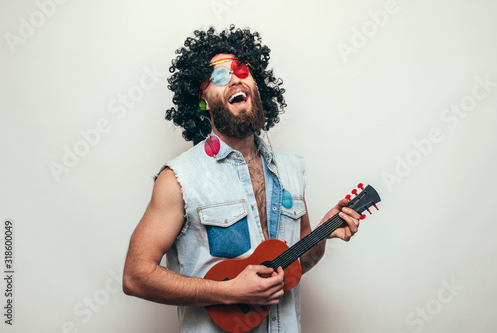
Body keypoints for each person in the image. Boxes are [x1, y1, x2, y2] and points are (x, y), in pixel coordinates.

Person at [122, 25, 361, 332]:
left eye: (242, 70)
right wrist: (228, 292)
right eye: (220, 76)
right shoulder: (179, 178)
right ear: (203, 101)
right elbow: (135, 276)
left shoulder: (292, 169)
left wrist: (324, 232)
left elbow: (295, 265)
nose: (235, 78)